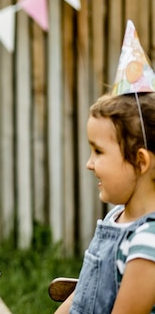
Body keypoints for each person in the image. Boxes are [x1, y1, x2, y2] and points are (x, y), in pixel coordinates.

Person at [55, 21, 155, 314]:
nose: (89, 164)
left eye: (98, 151)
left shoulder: (147, 243)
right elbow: (80, 295)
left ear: (140, 162)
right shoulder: (115, 218)